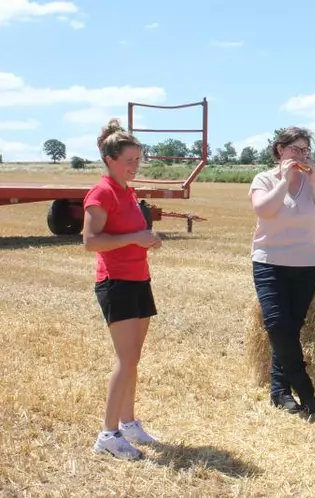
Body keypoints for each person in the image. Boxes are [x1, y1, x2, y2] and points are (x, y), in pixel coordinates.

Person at [83, 119, 163, 460]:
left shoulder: (127, 192)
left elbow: (129, 234)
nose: (135, 166)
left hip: (138, 279)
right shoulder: (101, 193)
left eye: (138, 160)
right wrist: (134, 237)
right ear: (109, 160)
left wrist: (146, 240)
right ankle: (108, 434)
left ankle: (128, 424)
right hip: (115, 283)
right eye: (129, 161)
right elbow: (90, 241)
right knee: (125, 360)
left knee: (133, 360)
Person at [249, 126, 315, 415]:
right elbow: (264, 210)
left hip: (306, 265)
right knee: (276, 325)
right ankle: (303, 385)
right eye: (294, 149)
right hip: (269, 262)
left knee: (289, 329)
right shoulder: (264, 179)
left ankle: (279, 391)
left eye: (304, 150)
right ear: (279, 150)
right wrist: (284, 180)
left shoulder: (311, 183)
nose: (300, 155)